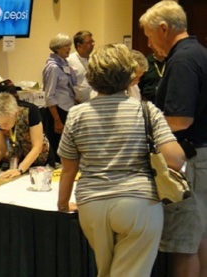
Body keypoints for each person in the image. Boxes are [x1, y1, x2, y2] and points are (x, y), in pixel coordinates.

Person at [57, 43, 185, 276]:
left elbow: (68, 169)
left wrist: (62, 204)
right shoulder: (147, 111)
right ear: (129, 76)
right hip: (139, 203)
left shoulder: (76, 114)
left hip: (91, 203)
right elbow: (175, 160)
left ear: (92, 76)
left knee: (106, 271)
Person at [140, 1, 207, 276]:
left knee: (184, 245)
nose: (148, 42)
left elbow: (180, 120)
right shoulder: (199, 52)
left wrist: (145, 126)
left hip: (189, 161)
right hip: (201, 155)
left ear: (164, 28)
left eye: (148, 34)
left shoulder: (181, 59)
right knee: (200, 236)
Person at [0, 93, 54, 178]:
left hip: (40, 159)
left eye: (5, 123)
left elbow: (37, 146)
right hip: (17, 159)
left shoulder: (31, 111)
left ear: (16, 113)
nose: (2, 127)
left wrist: (20, 169)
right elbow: (0, 147)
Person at [42, 33, 77, 164]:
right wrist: (57, 120)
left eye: (70, 46)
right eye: (66, 46)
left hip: (67, 108)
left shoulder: (64, 64)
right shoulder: (54, 67)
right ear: (57, 48)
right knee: (57, 147)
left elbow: (70, 85)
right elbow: (49, 95)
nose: (69, 49)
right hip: (57, 111)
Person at [67, 30, 95, 103]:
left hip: (94, 102)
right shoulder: (69, 61)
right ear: (79, 45)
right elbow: (65, 84)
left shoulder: (95, 59)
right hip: (76, 104)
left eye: (93, 41)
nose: (93, 44)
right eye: (89, 42)